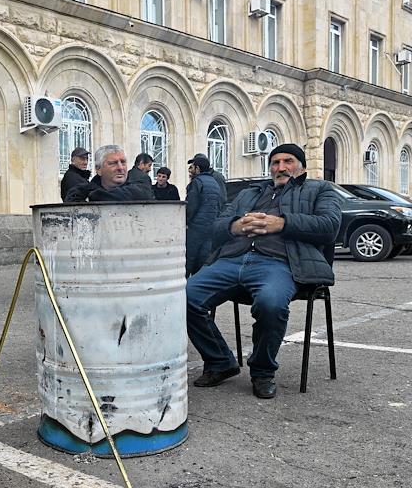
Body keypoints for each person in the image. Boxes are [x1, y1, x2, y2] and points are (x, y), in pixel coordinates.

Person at [186, 143, 342, 399]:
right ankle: (220, 361)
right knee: (184, 297)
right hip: (233, 258)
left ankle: (261, 370)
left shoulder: (319, 189)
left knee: (271, 303)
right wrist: (235, 227)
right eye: (276, 162)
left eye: (288, 161)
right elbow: (216, 226)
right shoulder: (249, 194)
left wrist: (282, 223)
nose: (281, 167)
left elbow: (330, 227)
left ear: (301, 166)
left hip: (281, 262)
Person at [64, 144, 154, 202]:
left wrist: (96, 196)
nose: (120, 168)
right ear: (98, 169)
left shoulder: (140, 187)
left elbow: (142, 195)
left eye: (123, 162)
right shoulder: (81, 190)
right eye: (113, 163)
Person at [185, 155, 223, 277]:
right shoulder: (215, 182)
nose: (191, 170)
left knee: (188, 258)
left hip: (196, 227)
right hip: (210, 227)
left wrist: (185, 222)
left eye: (193, 167)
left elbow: (191, 206)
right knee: (203, 258)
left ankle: (183, 288)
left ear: (198, 168)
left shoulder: (198, 182)